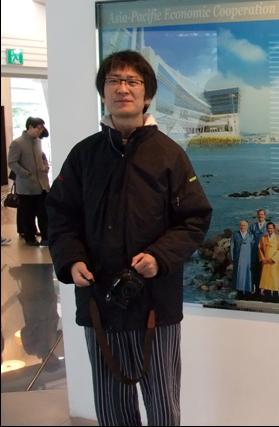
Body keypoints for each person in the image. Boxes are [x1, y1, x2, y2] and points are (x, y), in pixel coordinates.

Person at [45, 50, 212, 426]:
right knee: (111, 404)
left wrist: (159, 257)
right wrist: (71, 259)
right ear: (103, 92)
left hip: (155, 301)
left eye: (132, 81)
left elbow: (195, 218)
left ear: (147, 95)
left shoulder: (169, 155)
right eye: (114, 81)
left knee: (163, 401)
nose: (123, 88)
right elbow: (60, 214)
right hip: (99, 300)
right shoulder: (84, 155)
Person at [8, 116, 51, 246]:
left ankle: (46, 237)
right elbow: (12, 162)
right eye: (39, 128)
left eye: (42, 128)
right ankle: (30, 238)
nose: (40, 131)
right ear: (30, 127)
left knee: (43, 213)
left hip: (42, 184)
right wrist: (24, 173)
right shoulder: (17, 143)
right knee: (28, 214)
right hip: (27, 186)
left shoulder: (37, 142)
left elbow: (42, 156)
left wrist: (45, 167)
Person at [230, 220, 256, 300]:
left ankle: (248, 293)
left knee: (248, 275)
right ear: (239, 226)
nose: (243, 227)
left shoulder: (251, 235)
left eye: (244, 225)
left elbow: (254, 249)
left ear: (247, 227)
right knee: (239, 275)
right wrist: (232, 258)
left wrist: (253, 260)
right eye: (241, 225)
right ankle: (239, 293)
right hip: (238, 259)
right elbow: (232, 247)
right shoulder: (235, 235)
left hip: (248, 260)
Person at [258, 222, 279, 299]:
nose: (270, 230)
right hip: (265, 262)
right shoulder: (263, 238)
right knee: (266, 279)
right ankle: (267, 296)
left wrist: (273, 259)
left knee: (274, 279)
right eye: (268, 228)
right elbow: (260, 248)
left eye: (271, 228)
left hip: (274, 263)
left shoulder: (278, 238)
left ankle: (275, 296)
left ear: (274, 229)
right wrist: (262, 258)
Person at [250, 209, 268, 297]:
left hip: (265, 253)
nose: (260, 216)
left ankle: (266, 291)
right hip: (255, 253)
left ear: (265, 216)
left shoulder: (268, 226)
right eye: (259, 214)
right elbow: (250, 240)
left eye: (262, 214)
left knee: (265, 272)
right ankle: (257, 290)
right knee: (256, 272)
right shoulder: (253, 226)